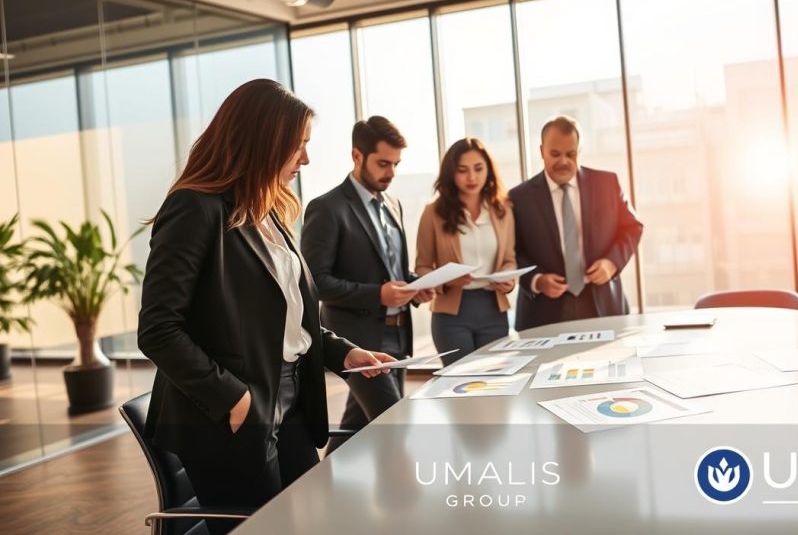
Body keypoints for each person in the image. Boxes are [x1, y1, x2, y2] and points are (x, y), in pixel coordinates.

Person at [137, 79, 396, 534]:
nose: (306, 159)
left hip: (291, 398)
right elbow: (158, 328)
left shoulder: (267, 209)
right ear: (262, 142)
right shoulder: (194, 208)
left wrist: (343, 353)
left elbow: (289, 318)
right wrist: (233, 397)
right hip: (234, 407)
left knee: (311, 520)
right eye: (298, 146)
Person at [301, 115, 433, 453]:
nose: (391, 172)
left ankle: (331, 487)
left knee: (357, 426)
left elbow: (394, 271)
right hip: (356, 342)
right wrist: (379, 295)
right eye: (383, 163)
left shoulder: (394, 205)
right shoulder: (327, 208)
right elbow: (315, 282)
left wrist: (418, 288)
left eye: (396, 164)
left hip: (397, 335)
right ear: (357, 156)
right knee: (395, 424)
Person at [508, 115, 643, 331]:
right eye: (555, 154)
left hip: (603, 304)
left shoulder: (607, 183)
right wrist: (537, 280)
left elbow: (632, 227)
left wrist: (611, 263)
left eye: (571, 154)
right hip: (542, 311)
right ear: (541, 151)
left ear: (579, 151)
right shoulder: (518, 198)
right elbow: (512, 252)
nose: (563, 161)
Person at [415, 138, 517, 367]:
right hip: (451, 316)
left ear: (489, 170)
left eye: (478, 169)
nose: (472, 177)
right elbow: (422, 267)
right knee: (460, 384)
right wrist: (447, 280)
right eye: (462, 170)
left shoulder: (503, 210)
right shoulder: (433, 212)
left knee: (498, 382)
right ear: (451, 173)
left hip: (494, 310)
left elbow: (509, 259)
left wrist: (508, 279)